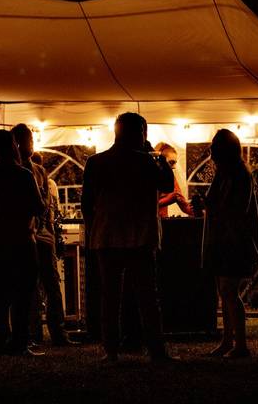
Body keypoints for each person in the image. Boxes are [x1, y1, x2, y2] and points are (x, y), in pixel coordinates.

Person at [81, 112, 174, 363]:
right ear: (140, 133)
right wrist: (160, 158)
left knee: (110, 298)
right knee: (147, 298)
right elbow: (167, 185)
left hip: (106, 238)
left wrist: (92, 233)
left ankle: (110, 351)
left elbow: (86, 203)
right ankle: (156, 350)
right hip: (140, 237)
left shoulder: (96, 162)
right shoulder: (147, 162)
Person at [0, 130, 45, 357]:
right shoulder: (23, 175)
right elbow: (38, 208)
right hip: (22, 240)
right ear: (13, 145)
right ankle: (19, 342)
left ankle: (1, 342)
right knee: (23, 292)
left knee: (0, 292)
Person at [10, 124, 78, 347]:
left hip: (44, 236)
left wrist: (50, 231)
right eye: (25, 140)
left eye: (30, 140)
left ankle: (58, 333)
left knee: (52, 286)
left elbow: (47, 206)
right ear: (16, 144)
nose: (29, 144)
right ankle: (33, 335)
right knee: (29, 288)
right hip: (23, 237)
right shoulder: (14, 172)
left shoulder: (39, 171)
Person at [202, 128, 258, 359]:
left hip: (235, 241)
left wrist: (210, 207)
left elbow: (235, 210)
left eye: (215, 149)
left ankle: (241, 345)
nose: (212, 153)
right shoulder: (223, 175)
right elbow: (215, 203)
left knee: (229, 290)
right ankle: (228, 341)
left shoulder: (240, 176)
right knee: (224, 291)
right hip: (223, 239)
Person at [153, 142, 194, 218]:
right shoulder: (147, 175)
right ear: (160, 161)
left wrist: (199, 211)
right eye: (171, 162)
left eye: (175, 163)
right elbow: (142, 204)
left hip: (162, 222)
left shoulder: (171, 178)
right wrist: (167, 200)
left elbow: (184, 205)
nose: (174, 167)